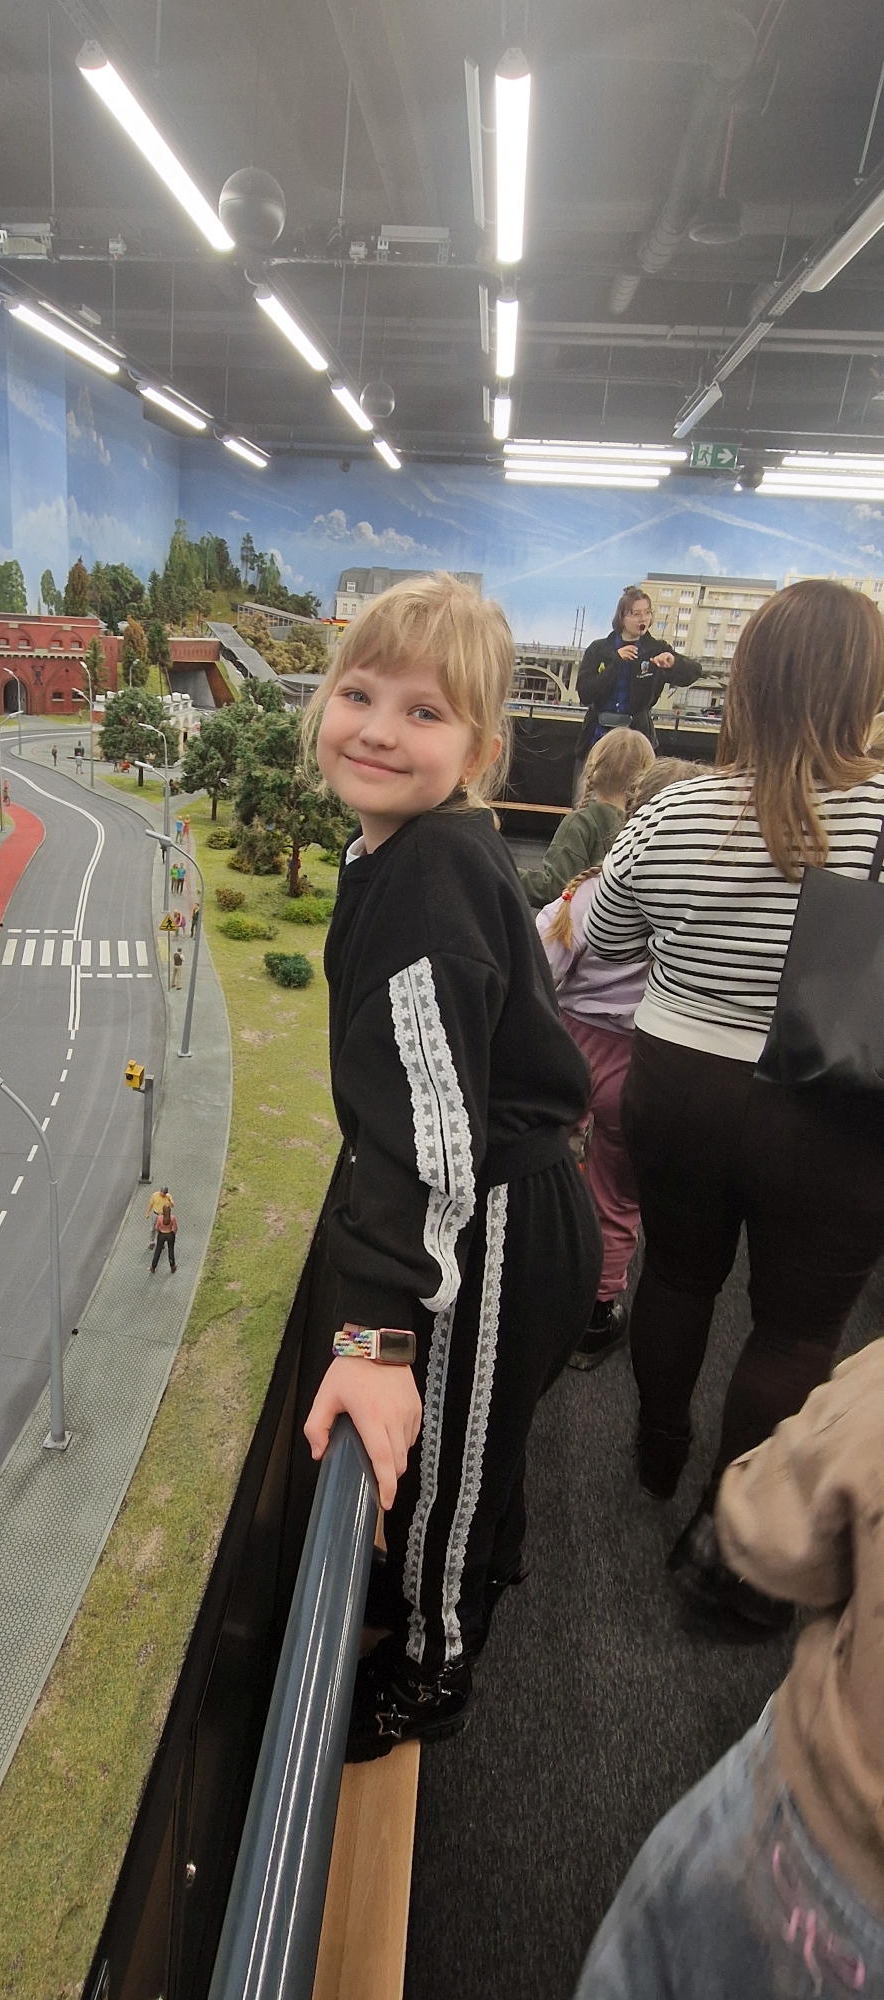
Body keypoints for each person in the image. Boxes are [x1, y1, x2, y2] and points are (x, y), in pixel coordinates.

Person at [300, 573, 601, 1759]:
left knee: (446, 1469)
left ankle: (432, 1667)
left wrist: (374, 1338)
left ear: (477, 750)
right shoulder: (409, 848)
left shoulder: (425, 876)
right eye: (359, 693)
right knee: (476, 1447)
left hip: (499, 1212)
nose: (378, 728)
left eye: (423, 711)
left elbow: (426, 1136)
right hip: (513, 1192)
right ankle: (462, 1577)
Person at [584, 579, 884, 1630]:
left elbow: (607, 938)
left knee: (676, 1273)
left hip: (681, 1085)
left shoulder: (675, 806)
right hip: (836, 1108)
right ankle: (734, 1525)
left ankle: (657, 1449)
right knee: (796, 1333)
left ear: (746, 678)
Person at [574, 1343, 884, 2000]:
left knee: (651, 1966)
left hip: (822, 1831)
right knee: (795, 1328)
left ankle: (660, 1459)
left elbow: (772, 1529)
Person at [536, 759, 696, 1367]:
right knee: (617, 1196)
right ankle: (595, 1315)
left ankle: (536, 1279)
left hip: (571, 1047)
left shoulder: (588, 893)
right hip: (646, 1059)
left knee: (547, 1168)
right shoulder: (701, 910)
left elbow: (543, 971)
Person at [519, 728, 655, 908]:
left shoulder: (580, 823)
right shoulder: (645, 830)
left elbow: (553, 889)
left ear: (593, 767)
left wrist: (505, 871)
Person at [575, 585, 701, 757]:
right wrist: (615, 664)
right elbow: (585, 694)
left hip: (638, 734)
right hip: (598, 734)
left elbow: (694, 672)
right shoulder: (599, 649)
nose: (643, 619)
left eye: (647, 612)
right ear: (622, 618)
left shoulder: (655, 649)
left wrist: (673, 663)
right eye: (636, 614)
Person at [150, 1196, 177, 1273]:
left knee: (158, 1251)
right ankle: (172, 1267)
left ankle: (153, 1267)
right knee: (171, 1250)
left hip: (162, 1234)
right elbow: (175, 1228)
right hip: (170, 1234)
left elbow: (156, 1227)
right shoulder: (172, 1218)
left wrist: (159, 1232)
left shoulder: (159, 1218)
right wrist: (173, 1234)